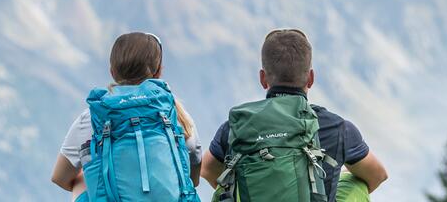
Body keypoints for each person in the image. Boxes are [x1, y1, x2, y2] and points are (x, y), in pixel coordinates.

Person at [201, 28, 388, 201]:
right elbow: (378, 175)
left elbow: (208, 170)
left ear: (263, 78)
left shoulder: (236, 125)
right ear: (311, 78)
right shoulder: (338, 127)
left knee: (225, 187)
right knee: (357, 183)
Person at [51, 32, 203, 200]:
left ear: (112, 72)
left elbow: (60, 177)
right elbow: (193, 179)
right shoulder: (176, 115)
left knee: (83, 180)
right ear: (158, 72)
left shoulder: (94, 117)